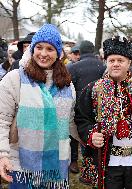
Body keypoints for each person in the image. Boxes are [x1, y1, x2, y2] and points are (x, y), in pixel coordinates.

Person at [75, 36, 132, 189]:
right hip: (107, 160)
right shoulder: (94, 89)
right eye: (112, 61)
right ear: (106, 62)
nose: (116, 64)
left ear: (129, 63)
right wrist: (91, 134)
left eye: (120, 60)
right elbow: (81, 118)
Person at [0, 24, 76, 188]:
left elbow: (71, 122)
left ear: (58, 53)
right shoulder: (15, 79)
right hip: (22, 165)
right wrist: (2, 155)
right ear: (32, 49)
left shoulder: (67, 85)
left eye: (50, 49)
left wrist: (89, 137)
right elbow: (2, 120)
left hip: (57, 165)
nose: (43, 54)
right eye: (39, 47)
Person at [67, 40, 105, 177]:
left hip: (78, 108)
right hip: (99, 109)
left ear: (80, 52)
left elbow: (68, 90)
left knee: (76, 136)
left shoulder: (73, 68)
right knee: (95, 136)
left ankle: (75, 162)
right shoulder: (103, 66)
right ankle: (94, 165)